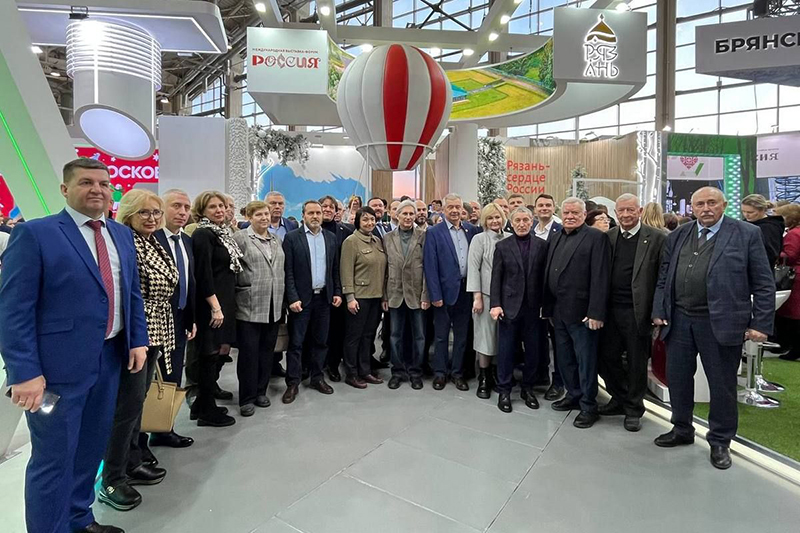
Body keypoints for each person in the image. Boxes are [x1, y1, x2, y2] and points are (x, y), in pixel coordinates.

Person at [0, 157, 149, 533]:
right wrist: (24, 372)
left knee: (90, 449)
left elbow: (130, 292)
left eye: (103, 183)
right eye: (86, 182)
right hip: (56, 371)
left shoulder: (121, 235)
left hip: (109, 360)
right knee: (54, 459)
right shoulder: (36, 234)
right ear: (65, 189)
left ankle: (79, 519)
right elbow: (13, 310)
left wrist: (137, 340)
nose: (97, 189)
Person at [652, 187, 775, 470]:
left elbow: (763, 282)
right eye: (699, 204)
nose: (705, 208)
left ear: (724, 205)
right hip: (679, 320)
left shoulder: (747, 234)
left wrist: (761, 323)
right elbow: (664, 275)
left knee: (721, 385)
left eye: (711, 203)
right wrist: (659, 309)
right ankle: (681, 428)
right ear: (692, 207)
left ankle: (720, 440)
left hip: (721, 322)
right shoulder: (678, 234)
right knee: (678, 379)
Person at [99, 190, 178, 511]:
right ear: (128, 214)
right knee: (126, 407)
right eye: (144, 212)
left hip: (157, 327)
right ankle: (111, 478)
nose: (152, 218)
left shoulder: (152, 241)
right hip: (136, 331)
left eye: (156, 212)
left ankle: (132, 461)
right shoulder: (125, 242)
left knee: (137, 403)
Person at [597, 194, 666, 432]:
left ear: (640, 211)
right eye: (621, 211)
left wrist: (658, 311)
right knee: (606, 358)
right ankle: (619, 398)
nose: (625, 215)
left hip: (638, 312)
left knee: (637, 362)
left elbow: (663, 278)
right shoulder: (608, 237)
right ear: (615, 213)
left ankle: (634, 409)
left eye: (630, 210)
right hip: (610, 311)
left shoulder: (657, 238)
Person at [543, 197, 610, 429]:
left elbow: (600, 276)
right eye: (567, 212)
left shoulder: (596, 238)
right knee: (565, 358)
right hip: (558, 311)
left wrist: (596, 313)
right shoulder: (556, 237)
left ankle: (589, 405)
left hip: (583, 314)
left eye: (575, 213)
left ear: (584, 215)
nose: (570, 216)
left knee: (586, 361)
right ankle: (573, 394)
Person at [189, 191, 241, 427]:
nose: (219, 210)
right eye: (213, 207)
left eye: (221, 206)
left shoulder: (222, 233)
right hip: (211, 304)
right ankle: (207, 411)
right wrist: (215, 307)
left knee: (218, 352)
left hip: (224, 300)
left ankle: (202, 403)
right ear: (202, 211)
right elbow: (203, 274)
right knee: (208, 355)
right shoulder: (203, 234)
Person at [282, 200, 342, 403]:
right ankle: (293, 382)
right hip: (301, 300)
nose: (315, 216)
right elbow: (288, 271)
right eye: (311, 213)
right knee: (296, 343)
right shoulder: (292, 238)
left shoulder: (330, 238)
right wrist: (292, 298)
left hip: (324, 298)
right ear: (303, 215)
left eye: (318, 213)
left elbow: (334, 269)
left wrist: (337, 292)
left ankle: (317, 377)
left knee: (321, 341)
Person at [490, 207, 548, 413]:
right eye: (518, 220)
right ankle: (504, 390)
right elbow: (496, 277)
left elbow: (545, 277)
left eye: (525, 220)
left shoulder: (542, 246)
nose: (522, 224)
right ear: (511, 223)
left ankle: (528, 388)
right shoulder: (502, 246)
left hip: (534, 308)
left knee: (533, 351)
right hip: (509, 307)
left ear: (532, 222)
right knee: (506, 351)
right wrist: (495, 304)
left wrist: (546, 305)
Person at [151, 189, 196, 449]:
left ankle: (164, 428)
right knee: (149, 380)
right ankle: (139, 441)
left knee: (172, 375)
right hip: (154, 321)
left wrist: (190, 318)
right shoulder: (150, 239)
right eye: (176, 206)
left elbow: (189, 283)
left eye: (186, 207)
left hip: (179, 320)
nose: (182, 212)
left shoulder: (186, 241)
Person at [232, 201, 285, 417]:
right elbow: (233, 268)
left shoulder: (276, 239)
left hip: (273, 305)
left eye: (266, 214)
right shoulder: (240, 238)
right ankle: (246, 397)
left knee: (266, 352)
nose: (264, 218)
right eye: (258, 215)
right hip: (249, 305)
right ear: (249, 217)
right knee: (248, 354)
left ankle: (261, 391)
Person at [424, 193, 480, 390]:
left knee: (462, 336)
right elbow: (430, 266)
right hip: (444, 293)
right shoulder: (433, 232)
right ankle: (440, 373)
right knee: (441, 336)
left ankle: (457, 373)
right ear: (444, 210)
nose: (455, 211)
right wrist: (435, 295)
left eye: (458, 207)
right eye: (451, 207)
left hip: (466, 292)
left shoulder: (471, 230)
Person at [383, 200, 429, 390]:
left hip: (416, 294)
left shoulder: (424, 236)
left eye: (411, 214)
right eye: (405, 214)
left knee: (419, 336)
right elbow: (385, 269)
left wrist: (426, 295)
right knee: (395, 336)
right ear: (397, 215)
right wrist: (384, 296)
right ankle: (398, 372)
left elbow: (427, 269)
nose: (408, 217)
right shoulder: (387, 238)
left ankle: (415, 372)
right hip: (394, 293)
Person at [340, 206, 388, 388]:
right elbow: (346, 271)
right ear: (357, 222)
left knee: (368, 336)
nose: (369, 223)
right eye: (365, 219)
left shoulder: (377, 241)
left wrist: (383, 297)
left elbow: (382, 271)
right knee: (354, 337)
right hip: (359, 298)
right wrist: (350, 298)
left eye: (372, 219)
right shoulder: (351, 242)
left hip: (375, 296)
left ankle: (365, 370)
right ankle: (351, 373)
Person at [466, 202, 507, 399]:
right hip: (486, 296)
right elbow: (473, 268)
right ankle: (484, 376)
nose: (494, 221)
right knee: (485, 337)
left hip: (507, 298)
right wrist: (477, 297)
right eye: (490, 218)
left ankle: (499, 374)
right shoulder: (479, 239)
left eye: (497, 217)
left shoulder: (510, 238)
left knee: (502, 338)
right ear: (484, 220)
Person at [532, 193, 564, 400]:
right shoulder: (530, 230)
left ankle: (558, 381)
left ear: (554, 208)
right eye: (540, 205)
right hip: (532, 295)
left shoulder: (560, 231)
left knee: (557, 341)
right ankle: (540, 374)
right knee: (537, 337)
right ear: (535, 209)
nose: (544, 208)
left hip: (553, 295)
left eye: (548, 205)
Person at [264, 191, 298, 378]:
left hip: (286, 284)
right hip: (266, 286)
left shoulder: (291, 226)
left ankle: (276, 363)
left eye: (280, 204)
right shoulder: (253, 226)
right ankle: (265, 365)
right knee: (267, 327)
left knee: (282, 325)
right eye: (273, 203)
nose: (277, 207)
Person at [320, 195, 354, 382]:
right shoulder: (308, 232)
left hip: (337, 290)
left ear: (336, 211)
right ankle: (313, 365)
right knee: (315, 331)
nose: (327, 209)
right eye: (323, 206)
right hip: (315, 290)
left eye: (331, 207)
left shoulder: (347, 231)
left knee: (336, 330)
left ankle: (332, 364)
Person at [774, 203, 800, 361]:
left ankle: (795, 348)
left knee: (793, 315)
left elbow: (789, 255)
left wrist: (774, 252)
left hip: (794, 277)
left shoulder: (793, 234)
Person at [741, 194, 783, 267]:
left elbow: (770, 255)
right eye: (743, 211)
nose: (746, 215)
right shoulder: (744, 224)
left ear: (762, 210)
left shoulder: (770, 228)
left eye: (750, 212)